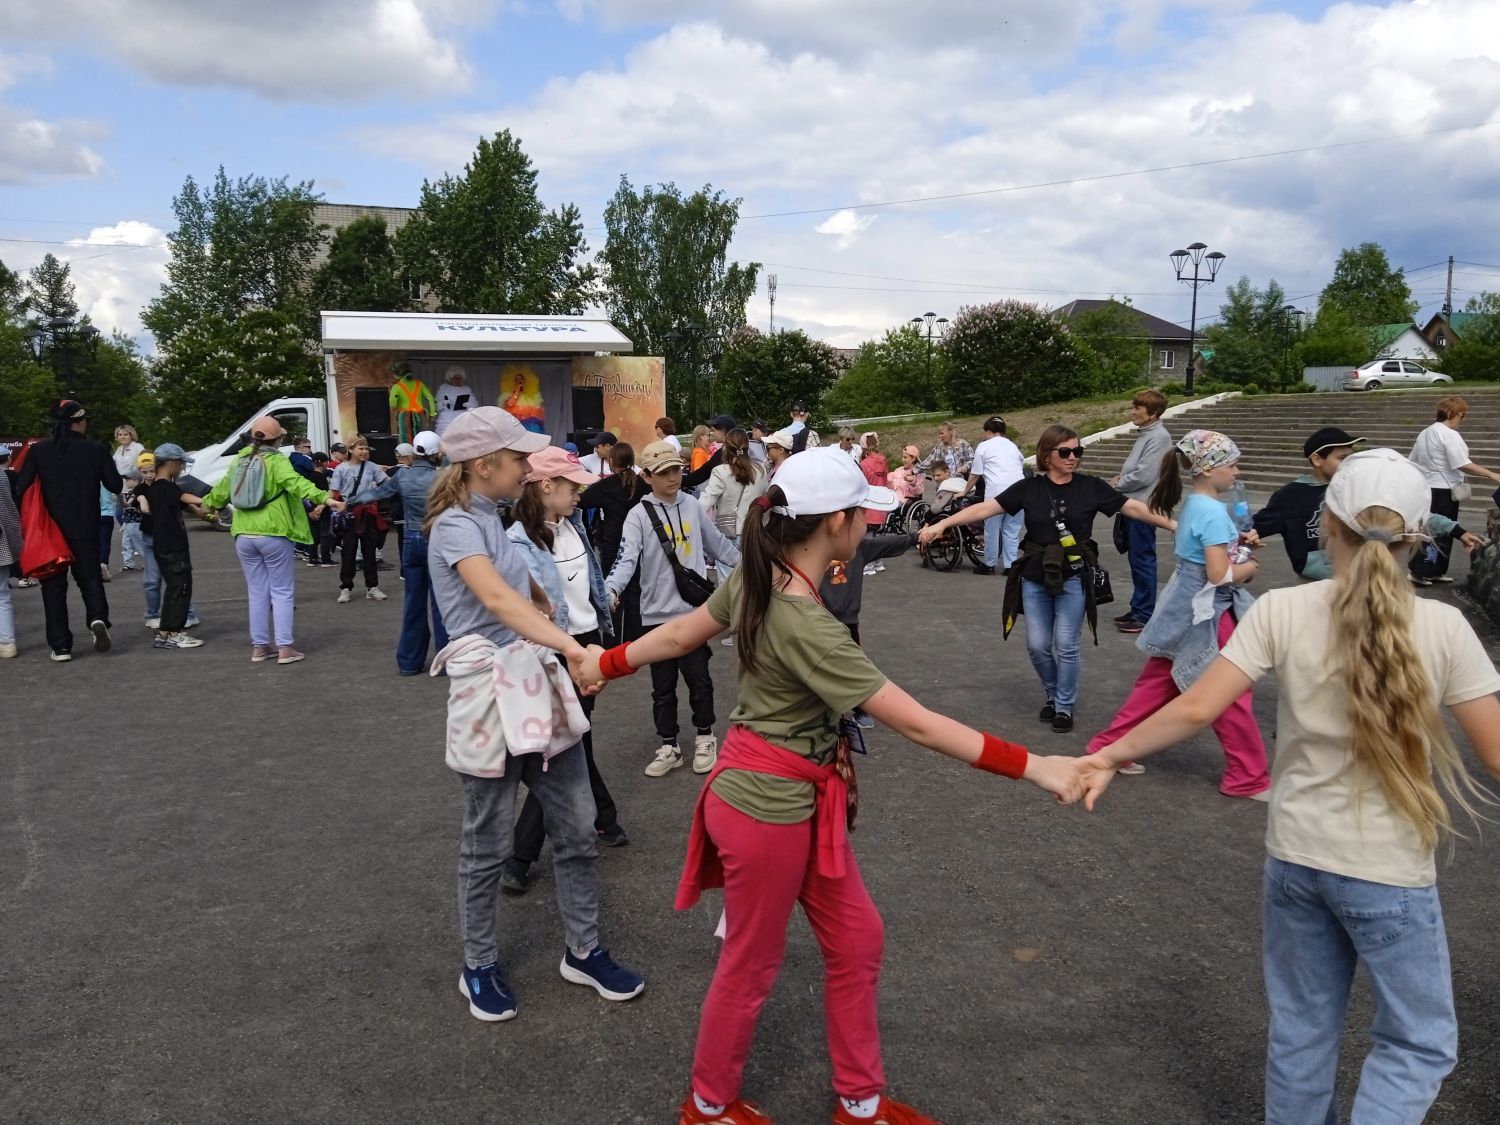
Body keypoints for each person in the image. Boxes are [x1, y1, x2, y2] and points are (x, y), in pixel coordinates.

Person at [578, 447, 1084, 1125]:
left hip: (791, 797)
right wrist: (1039, 766)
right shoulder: (807, 621)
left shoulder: (763, 577)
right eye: (862, 516)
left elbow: (676, 636)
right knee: (750, 966)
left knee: (857, 940)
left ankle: (861, 1102)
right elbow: (921, 724)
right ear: (838, 522)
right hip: (769, 807)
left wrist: (606, 662)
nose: (867, 525)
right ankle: (708, 1106)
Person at [1074, 448, 1500, 1125]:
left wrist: (1106, 756)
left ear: (1328, 524)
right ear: (1418, 535)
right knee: (1417, 1043)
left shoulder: (1281, 608)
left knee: (1302, 1031)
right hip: (1388, 867)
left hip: (1296, 858)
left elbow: (1195, 706)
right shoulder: (1444, 626)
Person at [425, 406, 644, 1023]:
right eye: (518, 458)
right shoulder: (456, 525)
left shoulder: (491, 518)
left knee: (575, 825)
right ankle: (478, 965)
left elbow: (519, 588)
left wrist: (545, 604)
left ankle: (584, 951)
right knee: (487, 841)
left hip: (532, 680)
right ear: (483, 464)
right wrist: (573, 646)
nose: (526, 468)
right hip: (491, 692)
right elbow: (496, 598)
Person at [920, 425, 1175, 733]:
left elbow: (1133, 507)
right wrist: (943, 524)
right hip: (1035, 574)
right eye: (1065, 452)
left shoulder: (1091, 487)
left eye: (1077, 451)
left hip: (1074, 575)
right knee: (1038, 645)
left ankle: (1063, 705)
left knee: (1066, 644)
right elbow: (987, 508)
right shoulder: (1030, 488)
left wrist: (1176, 525)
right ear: (1046, 455)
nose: (1072, 457)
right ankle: (1053, 694)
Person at [1086, 430, 1271, 798]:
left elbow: (1207, 556)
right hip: (1209, 611)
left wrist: (1237, 545)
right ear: (1209, 469)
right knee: (1228, 692)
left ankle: (1107, 748)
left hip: (1185, 605)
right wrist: (1249, 566)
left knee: (1160, 682)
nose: (1237, 472)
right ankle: (1247, 776)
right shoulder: (1213, 512)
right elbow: (1219, 575)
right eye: (1232, 465)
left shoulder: (1197, 505)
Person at [502, 446, 625, 893]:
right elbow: (520, 610)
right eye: (573, 486)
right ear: (546, 485)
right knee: (564, 748)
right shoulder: (516, 543)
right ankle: (521, 856)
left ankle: (603, 817)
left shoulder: (574, 527)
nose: (579, 494)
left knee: (574, 739)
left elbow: (589, 592)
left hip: (589, 644)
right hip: (554, 651)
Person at [605, 440, 741, 778]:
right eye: (664, 472)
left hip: (693, 613)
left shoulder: (692, 505)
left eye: (677, 470)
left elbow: (717, 544)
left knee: (700, 680)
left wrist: (749, 566)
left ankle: (705, 737)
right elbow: (625, 559)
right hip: (656, 616)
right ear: (647, 477)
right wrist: (610, 589)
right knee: (662, 688)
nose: (673, 477)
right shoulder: (638, 515)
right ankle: (669, 745)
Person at [1257, 428, 1483, 583]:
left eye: (1351, 457)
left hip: (1363, 579)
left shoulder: (1360, 486)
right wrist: (1248, 537)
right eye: (1342, 458)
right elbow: (1257, 527)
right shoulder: (1290, 496)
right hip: (1312, 584)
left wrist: (1457, 531)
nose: (1349, 463)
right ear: (1317, 459)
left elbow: (1410, 514)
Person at [204, 416, 341, 664]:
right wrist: (326, 499)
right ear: (278, 439)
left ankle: (260, 647)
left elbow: (220, 493)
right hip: (273, 532)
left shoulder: (239, 460)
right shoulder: (277, 461)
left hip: (243, 533)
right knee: (281, 591)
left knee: (257, 592)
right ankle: (285, 647)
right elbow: (297, 484)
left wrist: (206, 505)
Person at [15, 399, 123, 661]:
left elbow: (21, 486)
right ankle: (97, 618)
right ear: (80, 422)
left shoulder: (39, 451)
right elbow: (115, 485)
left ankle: (61, 645)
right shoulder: (95, 449)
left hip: (50, 531)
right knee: (90, 579)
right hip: (86, 525)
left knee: (53, 588)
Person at [1406, 395, 1500, 586]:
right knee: (1442, 531)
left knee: (1428, 529)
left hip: (1428, 488)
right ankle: (1426, 571)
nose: (1462, 420)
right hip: (1444, 489)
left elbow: (1412, 460)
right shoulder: (1449, 434)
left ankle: (1427, 571)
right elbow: (1462, 463)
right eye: (1462, 415)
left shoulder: (1425, 433)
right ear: (1454, 413)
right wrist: (1491, 474)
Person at [1108, 391, 1174, 631]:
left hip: (1143, 507)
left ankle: (1144, 614)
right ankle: (1138, 608)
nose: (1132, 412)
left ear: (1153, 413)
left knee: (1143, 560)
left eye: (1138, 408)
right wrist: (1121, 479)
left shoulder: (1158, 437)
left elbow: (1145, 475)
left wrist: (1118, 484)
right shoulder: (1147, 434)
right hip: (1134, 504)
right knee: (1137, 560)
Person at [137, 443, 207, 652]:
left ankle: (165, 633)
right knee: (181, 588)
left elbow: (187, 505)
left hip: (162, 545)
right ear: (171, 463)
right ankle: (176, 634)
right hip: (173, 545)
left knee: (173, 588)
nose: (182, 468)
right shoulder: (166, 487)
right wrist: (211, 499)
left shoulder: (156, 489)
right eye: (181, 464)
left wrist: (201, 511)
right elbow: (187, 498)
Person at [393, 431, 449, 676]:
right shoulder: (441, 477)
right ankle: (445, 660)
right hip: (435, 540)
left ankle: (409, 661)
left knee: (413, 602)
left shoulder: (402, 476)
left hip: (410, 540)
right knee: (442, 603)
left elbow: (378, 493)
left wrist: (345, 502)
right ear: (436, 452)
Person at [580, 442, 647, 641]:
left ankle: (612, 643)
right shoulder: (643, 485)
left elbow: (581, 501)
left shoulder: (604, 486)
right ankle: (635, 643)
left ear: (611, 461)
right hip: (640, 545)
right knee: (635, 596)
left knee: (612, 596)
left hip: (613, 546)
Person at [700, 427, 768, 591]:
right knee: (752, 581)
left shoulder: (720, 472)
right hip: (754, 531)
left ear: (725, 447)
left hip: (728, 532)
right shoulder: (761, 470)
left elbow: (705, 503)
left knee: (728, 585)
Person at [328, 437, 391, 604]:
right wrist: (324, 506)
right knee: (348, 552)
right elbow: (333, 492)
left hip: (368, 514)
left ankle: (372, 587)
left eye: (366, 449)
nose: (364, 452)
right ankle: (346, 587)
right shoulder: (341, 469)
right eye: (360, 448)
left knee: (370, 551)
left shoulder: (372, 467)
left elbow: (388, 484)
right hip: (349, 514)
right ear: (350, 450)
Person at [965, 416, 1025, 576]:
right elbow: (1019, 466)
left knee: (991, 530)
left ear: (988, 431)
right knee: (1011, 531)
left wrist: (964, 491)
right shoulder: (1012, 446)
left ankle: (989, 564)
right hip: (1019, 491)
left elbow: (975, 474)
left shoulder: (984, 446)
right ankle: (1010, 566)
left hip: (996, 493)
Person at [112, 424, 146, 572]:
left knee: (134, 522)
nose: (123, 437)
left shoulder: (137, 448)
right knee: (120, 515)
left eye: (125, 434)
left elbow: (143, 465)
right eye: (120, 435)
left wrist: (136, 480)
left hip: (135, 487)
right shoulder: (118, 450)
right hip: (122, 488)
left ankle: (139, 548)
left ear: (131, 435)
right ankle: (131, 549)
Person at [0, 458, 21, 658]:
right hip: (1, 544)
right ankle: (8, 642)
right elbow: (9, 514)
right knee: (2, 595)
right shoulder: (2, 477)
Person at [388, 361, 435, 444]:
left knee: (405, 439)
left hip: (404, 416)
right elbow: (430, 398)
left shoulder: (396, 387)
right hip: (420, 414)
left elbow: (393, 404)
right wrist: (432, 414)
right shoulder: (419, 384)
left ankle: (407, 452)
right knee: (421, 438)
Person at [857, 433, 890, 550]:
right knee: (876, 539)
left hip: (867, 507)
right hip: (881, 505)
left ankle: (867, 559)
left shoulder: (863, 464)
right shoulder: (883, 461)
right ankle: (876, 558)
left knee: (865, 540)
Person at [435, 365, 478, 434]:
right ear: (450, 378)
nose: (457, 380)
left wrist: (468, 405)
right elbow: (437, 404)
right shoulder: (444, 388)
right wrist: (444, 403)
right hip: (447, 419)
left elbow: (474, 405)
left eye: (459, 378)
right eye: (455, 378)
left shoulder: (466, 390)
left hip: (462, 417)